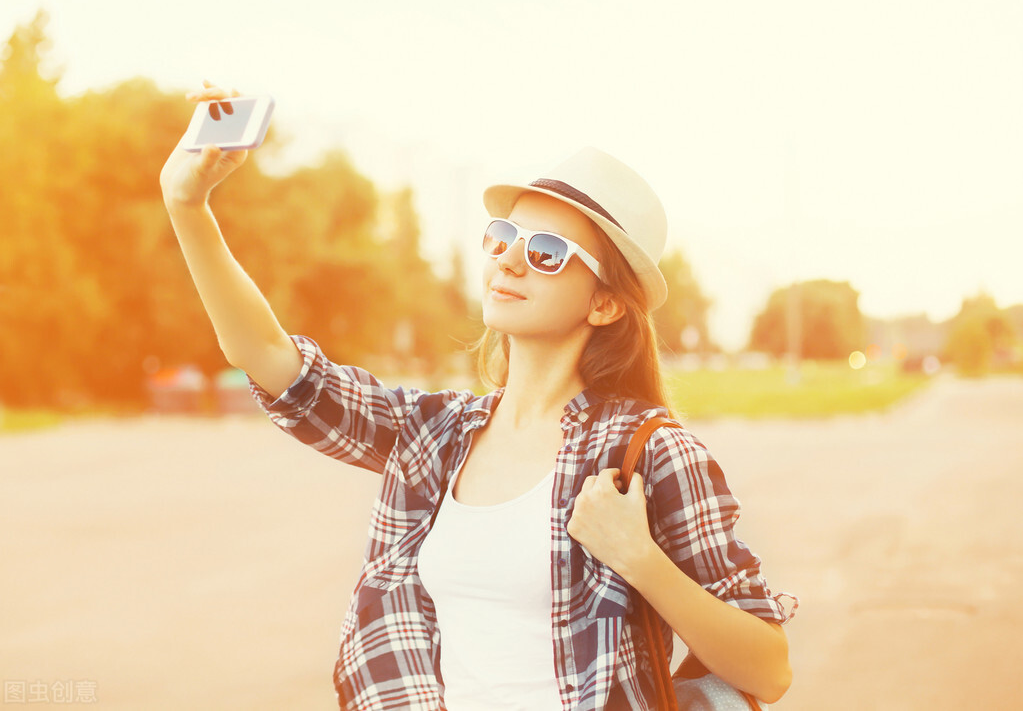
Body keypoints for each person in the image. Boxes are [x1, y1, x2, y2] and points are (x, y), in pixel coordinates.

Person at [160, 83, 797, 711]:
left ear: (604, 302)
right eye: (503, 237)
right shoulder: (433, 433)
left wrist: (641, 560)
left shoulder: (649, 456)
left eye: (547, 252)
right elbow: (274, 362)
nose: (511, 261)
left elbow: (767, 671)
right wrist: (188, 208)